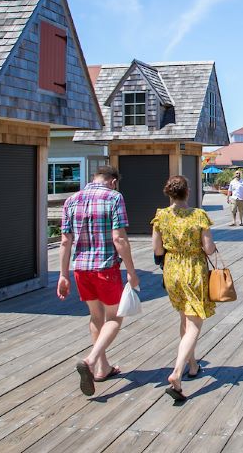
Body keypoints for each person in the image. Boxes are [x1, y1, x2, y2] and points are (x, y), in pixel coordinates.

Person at [57, 165, 139, 397]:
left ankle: (103, 368)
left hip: (80, 269)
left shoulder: (72, 200)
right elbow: (119, 238)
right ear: (113, 181)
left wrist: (63, 274)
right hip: (105, 267)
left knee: (95, 316)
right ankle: (91, 360)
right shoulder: (114, 197)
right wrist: (131, 271)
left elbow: (65, 241)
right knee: (114, 317)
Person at [152, 175, 217, 402]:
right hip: (193, 270)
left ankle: (192, 365)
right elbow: (208, 250)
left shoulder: (161, 216)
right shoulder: (198, 216)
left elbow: (157, 250)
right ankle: (177, 374)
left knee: (184, 318)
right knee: (195, 323)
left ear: (169, 193)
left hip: (172, 271)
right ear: (187, 192)